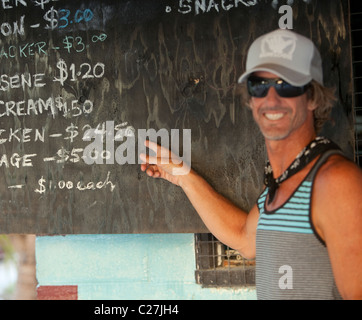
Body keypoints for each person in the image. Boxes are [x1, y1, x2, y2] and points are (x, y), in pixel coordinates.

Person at [139, 29, 362, 300]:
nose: (271, 99)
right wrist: (182, 176)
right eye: (259, 85)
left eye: (287, 84)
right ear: (251, 99)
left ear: (313, 97)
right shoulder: (283, 184)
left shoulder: (336, 183)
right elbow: (245, 239)